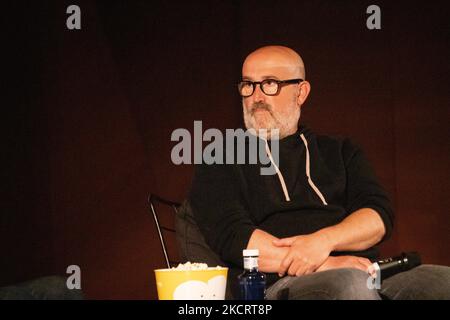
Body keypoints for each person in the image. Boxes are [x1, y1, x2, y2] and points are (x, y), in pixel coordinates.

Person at [188, 45, 450, 299]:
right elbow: (236, 238)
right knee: (349, 285)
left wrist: (323, 242)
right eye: (248, 85)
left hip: (366, 270)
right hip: (279, 281)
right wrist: (322, 263)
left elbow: (377, 218)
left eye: (270, 84)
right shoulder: (220, 157)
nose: (256, 97)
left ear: (301, 92)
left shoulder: (341, 150)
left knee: (442, 282)